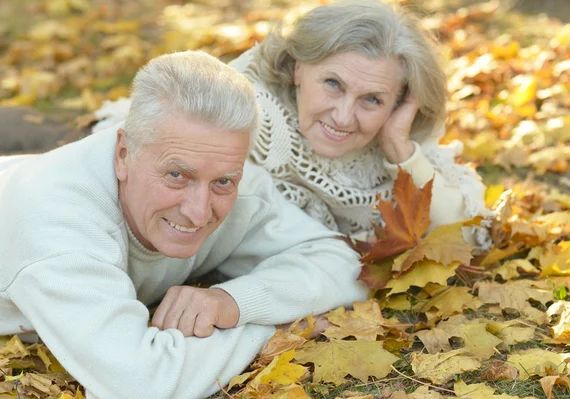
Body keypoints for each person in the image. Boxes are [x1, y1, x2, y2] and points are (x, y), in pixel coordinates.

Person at [0, 50, 368, 398]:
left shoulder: (224, 172)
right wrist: (273, 330)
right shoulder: (56, 224)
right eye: (176, 175)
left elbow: (344, 264)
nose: (198, 212)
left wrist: (233, 302)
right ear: (124, 154)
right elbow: (140, 382)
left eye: (223, 181)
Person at [93, 0, 492, 247]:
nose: (343, 116)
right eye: (333, 84)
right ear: (299, 68)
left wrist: (399, 148)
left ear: (400, 102)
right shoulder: (249, 102)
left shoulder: (394, 144)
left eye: (372, 99)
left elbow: (463, 235)